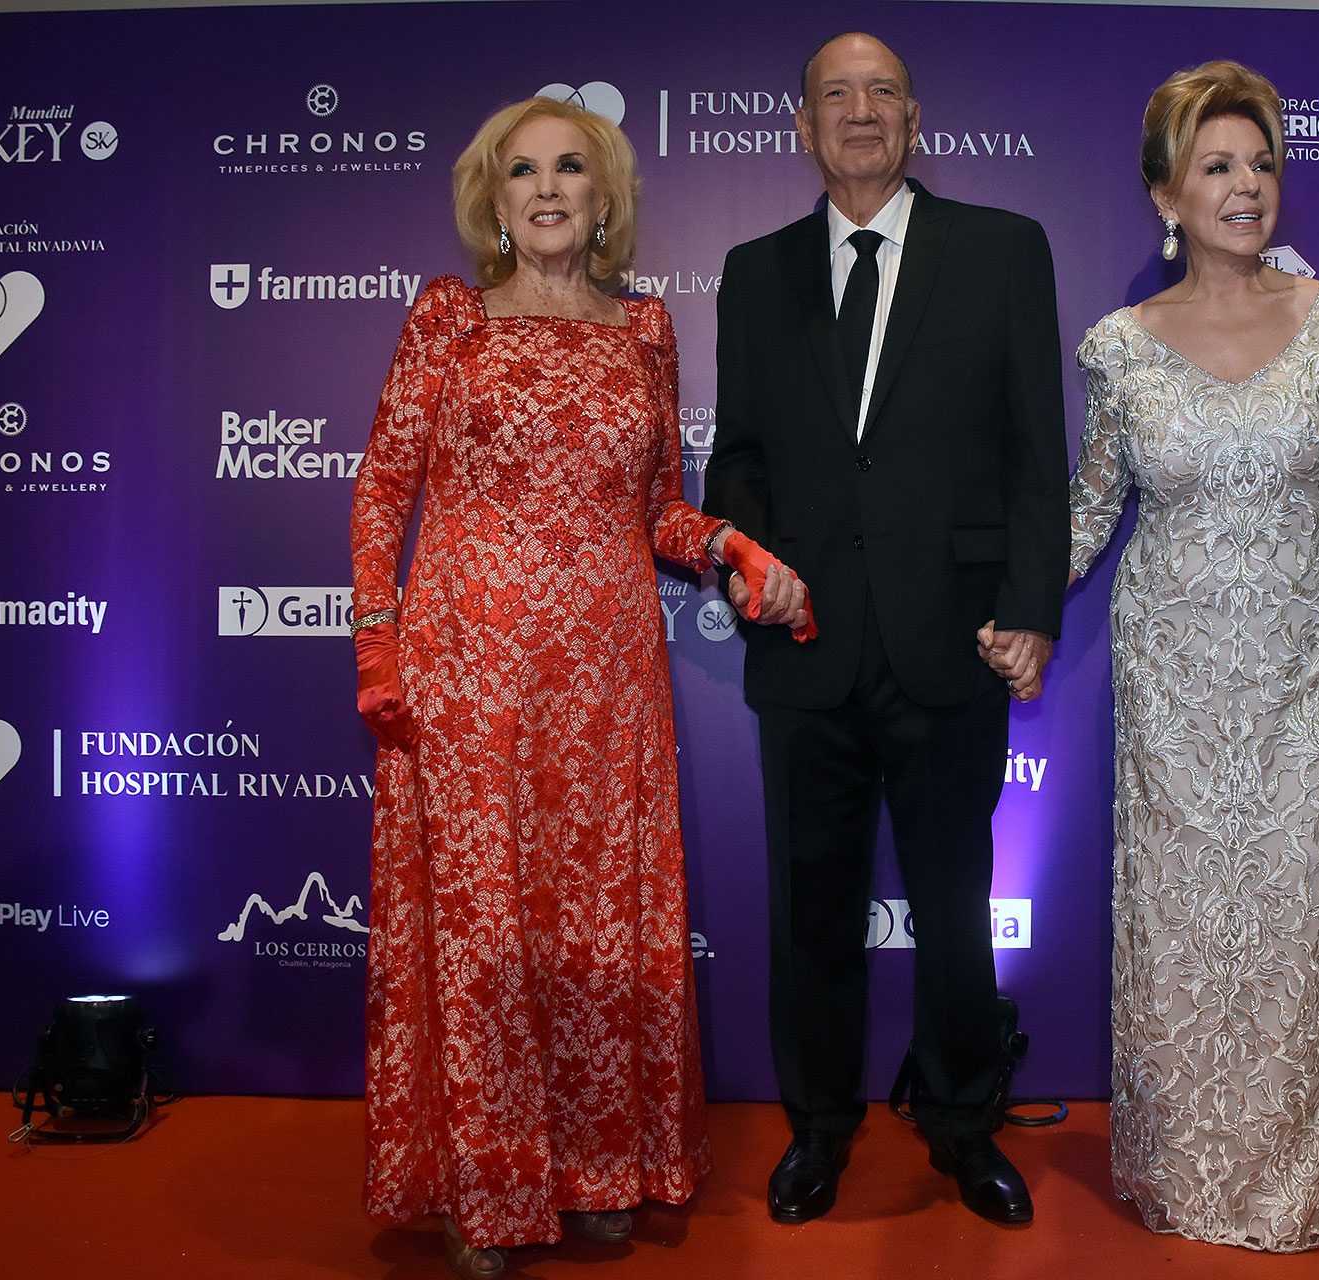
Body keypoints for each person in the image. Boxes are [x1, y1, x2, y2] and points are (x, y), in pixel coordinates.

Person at [349, 96, 804, 1279]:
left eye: (571, 169)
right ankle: (489, 1185)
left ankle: (599, 1168)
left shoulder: (644, 329)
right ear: (490, 200)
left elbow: (659, 509)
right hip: (470, 670)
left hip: (607, 679)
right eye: (521, 172)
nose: (547, 189)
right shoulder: (448, 320)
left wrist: (733, 550)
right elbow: (381, 490)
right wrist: (377, 645)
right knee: (488, 929)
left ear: (606, 198)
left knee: (600, 925)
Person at [703, 32, 1068, 1227]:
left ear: (915, 117)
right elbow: (739, 457)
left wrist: (1028, 611)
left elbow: (1033, 454)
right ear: (800, 124)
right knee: (810, 913)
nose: (859, 112)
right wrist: (754, 570)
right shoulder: (753, 272)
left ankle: (963, 1124)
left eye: (882, 93)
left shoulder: (1004, 251)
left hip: (950, 646)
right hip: (803, 654)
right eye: (834, 95)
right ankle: (819, 1130)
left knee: (958, 907)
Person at [1066, 60, 1319, 1252]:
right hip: (1171, 676)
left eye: (1261, 162)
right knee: (1178, 924)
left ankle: (1303, 1165)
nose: (1247, 184)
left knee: (1296, 914)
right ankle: (1189, 1163)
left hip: (1304, 670)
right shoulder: (1116, 346)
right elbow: (1091, 508)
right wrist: (998, 597)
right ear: (1166, 196)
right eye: (1218, 165)